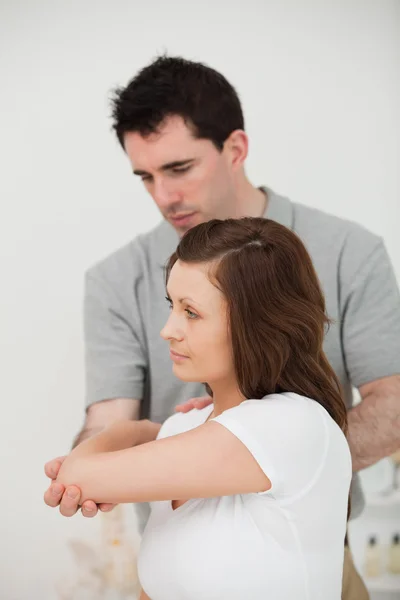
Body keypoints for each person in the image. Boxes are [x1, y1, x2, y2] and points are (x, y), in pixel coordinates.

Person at [44, 56, 400, 599]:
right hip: (171, 565)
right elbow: (113, 428)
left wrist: (257, 459)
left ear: (235, 149)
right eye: (146, 177)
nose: (163, 196)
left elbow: (391, 402)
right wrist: (179, 446)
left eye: (179, 169)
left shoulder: (349, 254)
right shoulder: (115, 280)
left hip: (309, 551)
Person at [47, 217, 353, 600]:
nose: (168, 329)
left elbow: (77, 475)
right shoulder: (186, 426)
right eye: (171, 305)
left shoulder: (291, 423)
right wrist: (162, 431)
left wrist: (134, 431)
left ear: (258, 324)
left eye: (190, 312)